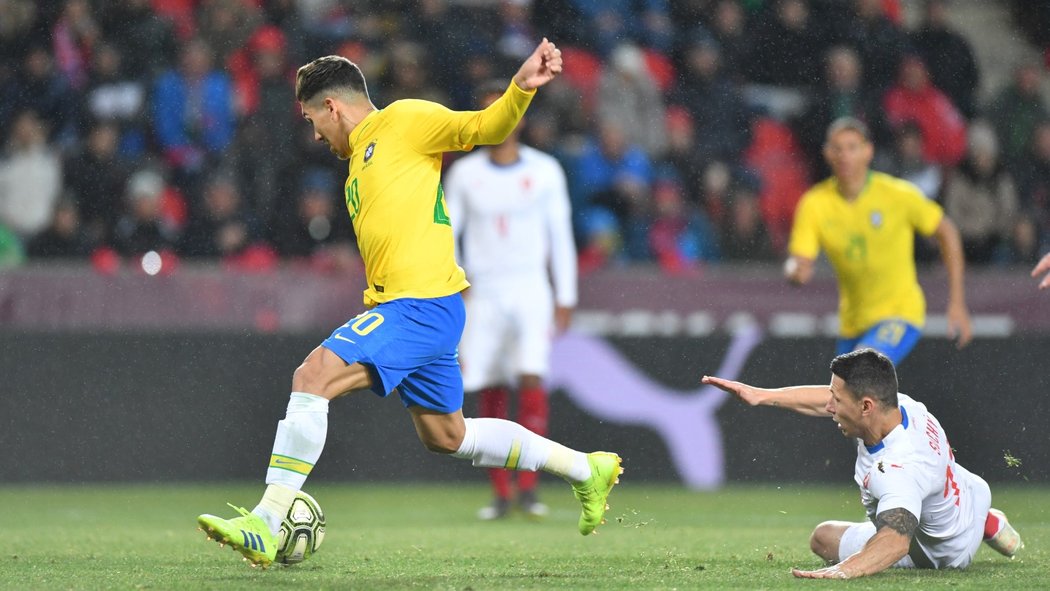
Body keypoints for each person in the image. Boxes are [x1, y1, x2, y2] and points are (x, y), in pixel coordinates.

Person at [197, 39, 623, 568]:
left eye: (313, 120)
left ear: (332, 106)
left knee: (312, 378)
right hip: (422, 306)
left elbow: (482, 129)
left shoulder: (404, 120)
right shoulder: (358, 164)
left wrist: (519, 88)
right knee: (449, 435)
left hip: (418, 305)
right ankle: (586, 469)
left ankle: (265, 520)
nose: (314, 133)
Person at [702, 348, 1023, 579]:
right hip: (970, 494)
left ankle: (980, 524)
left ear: (866, 406)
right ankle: (985, 520)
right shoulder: (903, 407)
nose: (829, 406)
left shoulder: (898, 470)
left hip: (946, 556)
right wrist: (761, 395)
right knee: (825, 536)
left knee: (827, 541)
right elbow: (827, 399)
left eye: (837, 401)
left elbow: (896, 542)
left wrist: (843, 570)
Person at [443, 80, 578, 520]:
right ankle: (501, 492)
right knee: (487, 384)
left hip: (530, 288)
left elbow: (560, 236)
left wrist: (566, 294)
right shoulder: (465, 174)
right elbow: (446, 232)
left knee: (532, 377)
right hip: (481, 290)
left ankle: (530, 487)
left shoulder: (545, 171)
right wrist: (455, 282)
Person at [784, 117, 972, 365]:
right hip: (853, 323)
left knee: (863, 370)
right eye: (838, 149)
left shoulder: (897, 194)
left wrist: (957, 301)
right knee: (844, 398)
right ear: (827, 154)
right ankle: (904, 407)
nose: (845, 156)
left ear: (867, 151)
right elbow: (801, 262)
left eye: (852, 147)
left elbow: (946, 231)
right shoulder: (815, 204)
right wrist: (796, 274)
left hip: (900, 313)